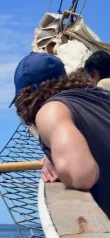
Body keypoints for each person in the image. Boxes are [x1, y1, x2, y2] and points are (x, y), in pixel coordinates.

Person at [13, 52, 110, 217]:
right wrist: (56, 155)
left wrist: (60, 165)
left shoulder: (51, 111)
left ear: (26, 96)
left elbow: (81, 175)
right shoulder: (103, 96)